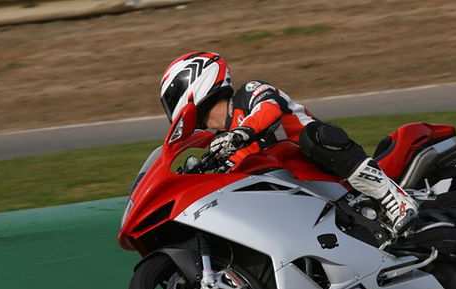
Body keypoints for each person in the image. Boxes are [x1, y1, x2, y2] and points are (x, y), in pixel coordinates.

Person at [159, 52, 417, 233]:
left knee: (316, 136)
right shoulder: (221, 146)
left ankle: (394, 198)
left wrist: (240, 134)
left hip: (328, 168)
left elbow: (270, 109)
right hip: (303, 195)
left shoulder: (249, 93)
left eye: (171, 98)